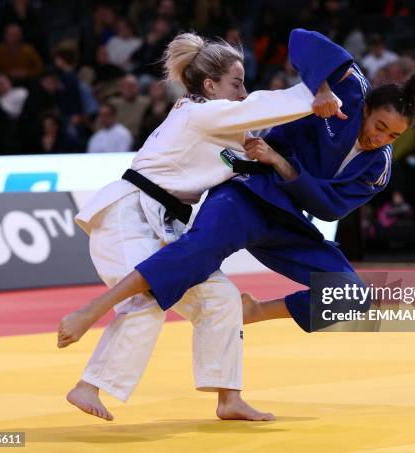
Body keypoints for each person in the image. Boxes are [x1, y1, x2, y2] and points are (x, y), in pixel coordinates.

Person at [59, 29, 415, 393]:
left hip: (289, 216)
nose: (379, 138)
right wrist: (323, 86)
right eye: (379, 125)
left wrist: (285, 166)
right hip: (249, 191)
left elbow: (329, 209)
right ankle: (93, 308)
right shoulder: (351, 89)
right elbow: (301, 40)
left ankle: (257, 312)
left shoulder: (378, 166)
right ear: (366, 108)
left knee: (351, 297)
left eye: (393, 136)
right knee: (197, 251)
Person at [59, 31, 343, 422]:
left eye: (244, 83)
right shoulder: (200, 114)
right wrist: (318, 91)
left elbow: (249, 138)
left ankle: (229, 398)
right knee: (148, 297)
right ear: (210, 86)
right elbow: (263, 106)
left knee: (221, 299)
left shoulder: (217, 124)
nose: (244, 92)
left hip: (163, 224)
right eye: (236, 83)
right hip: (127, 217)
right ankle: (89, 385)